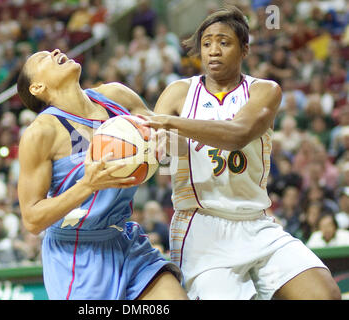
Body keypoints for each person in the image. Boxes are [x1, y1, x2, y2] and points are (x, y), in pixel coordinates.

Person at [141, 6, 341, 300]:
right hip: (201, 225)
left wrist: (169, 122)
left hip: (256, 222)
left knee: (325, 295)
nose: (213, 51)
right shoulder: (178, 93)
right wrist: (157, 146)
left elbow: (238, 134)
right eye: (207, 43)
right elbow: (162, 154)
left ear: (244, 49)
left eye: (224, 42)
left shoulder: (264, 90)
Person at [16, 49, 187, 300]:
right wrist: (87, 185)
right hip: (78, 255)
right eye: (43, 58)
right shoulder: (41, 133)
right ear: (37, 87)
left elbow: (179, 144)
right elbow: (32, 219)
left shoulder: (116, 96)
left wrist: (167, 141)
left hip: (125, 238)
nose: (55, 51)